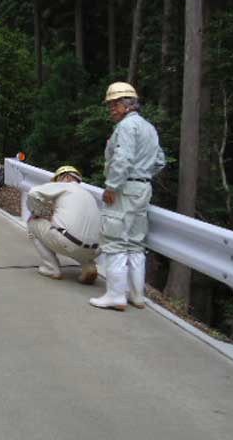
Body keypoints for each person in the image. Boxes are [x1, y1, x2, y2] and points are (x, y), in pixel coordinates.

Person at [90, 82, 166, 311]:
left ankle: (115, 295)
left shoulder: (125, 127)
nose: (111, 109)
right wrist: (142, 175)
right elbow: (160, 160)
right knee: (135, 242)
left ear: (126, 105)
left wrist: (112, 186)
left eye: (114, 104)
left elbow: (122, 159)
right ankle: (137, 295)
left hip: (124, 189)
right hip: (143, 188)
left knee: (114, 240)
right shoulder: (148, 128)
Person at [26, 165, 100, 284]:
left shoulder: (65, 185)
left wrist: (40, 213)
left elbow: (33, 193)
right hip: (95, 250)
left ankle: (52, 268)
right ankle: (88, 266)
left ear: (65, 177)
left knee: (32, 223)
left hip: (68, 242)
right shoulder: (89, 194)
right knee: (81, 235)